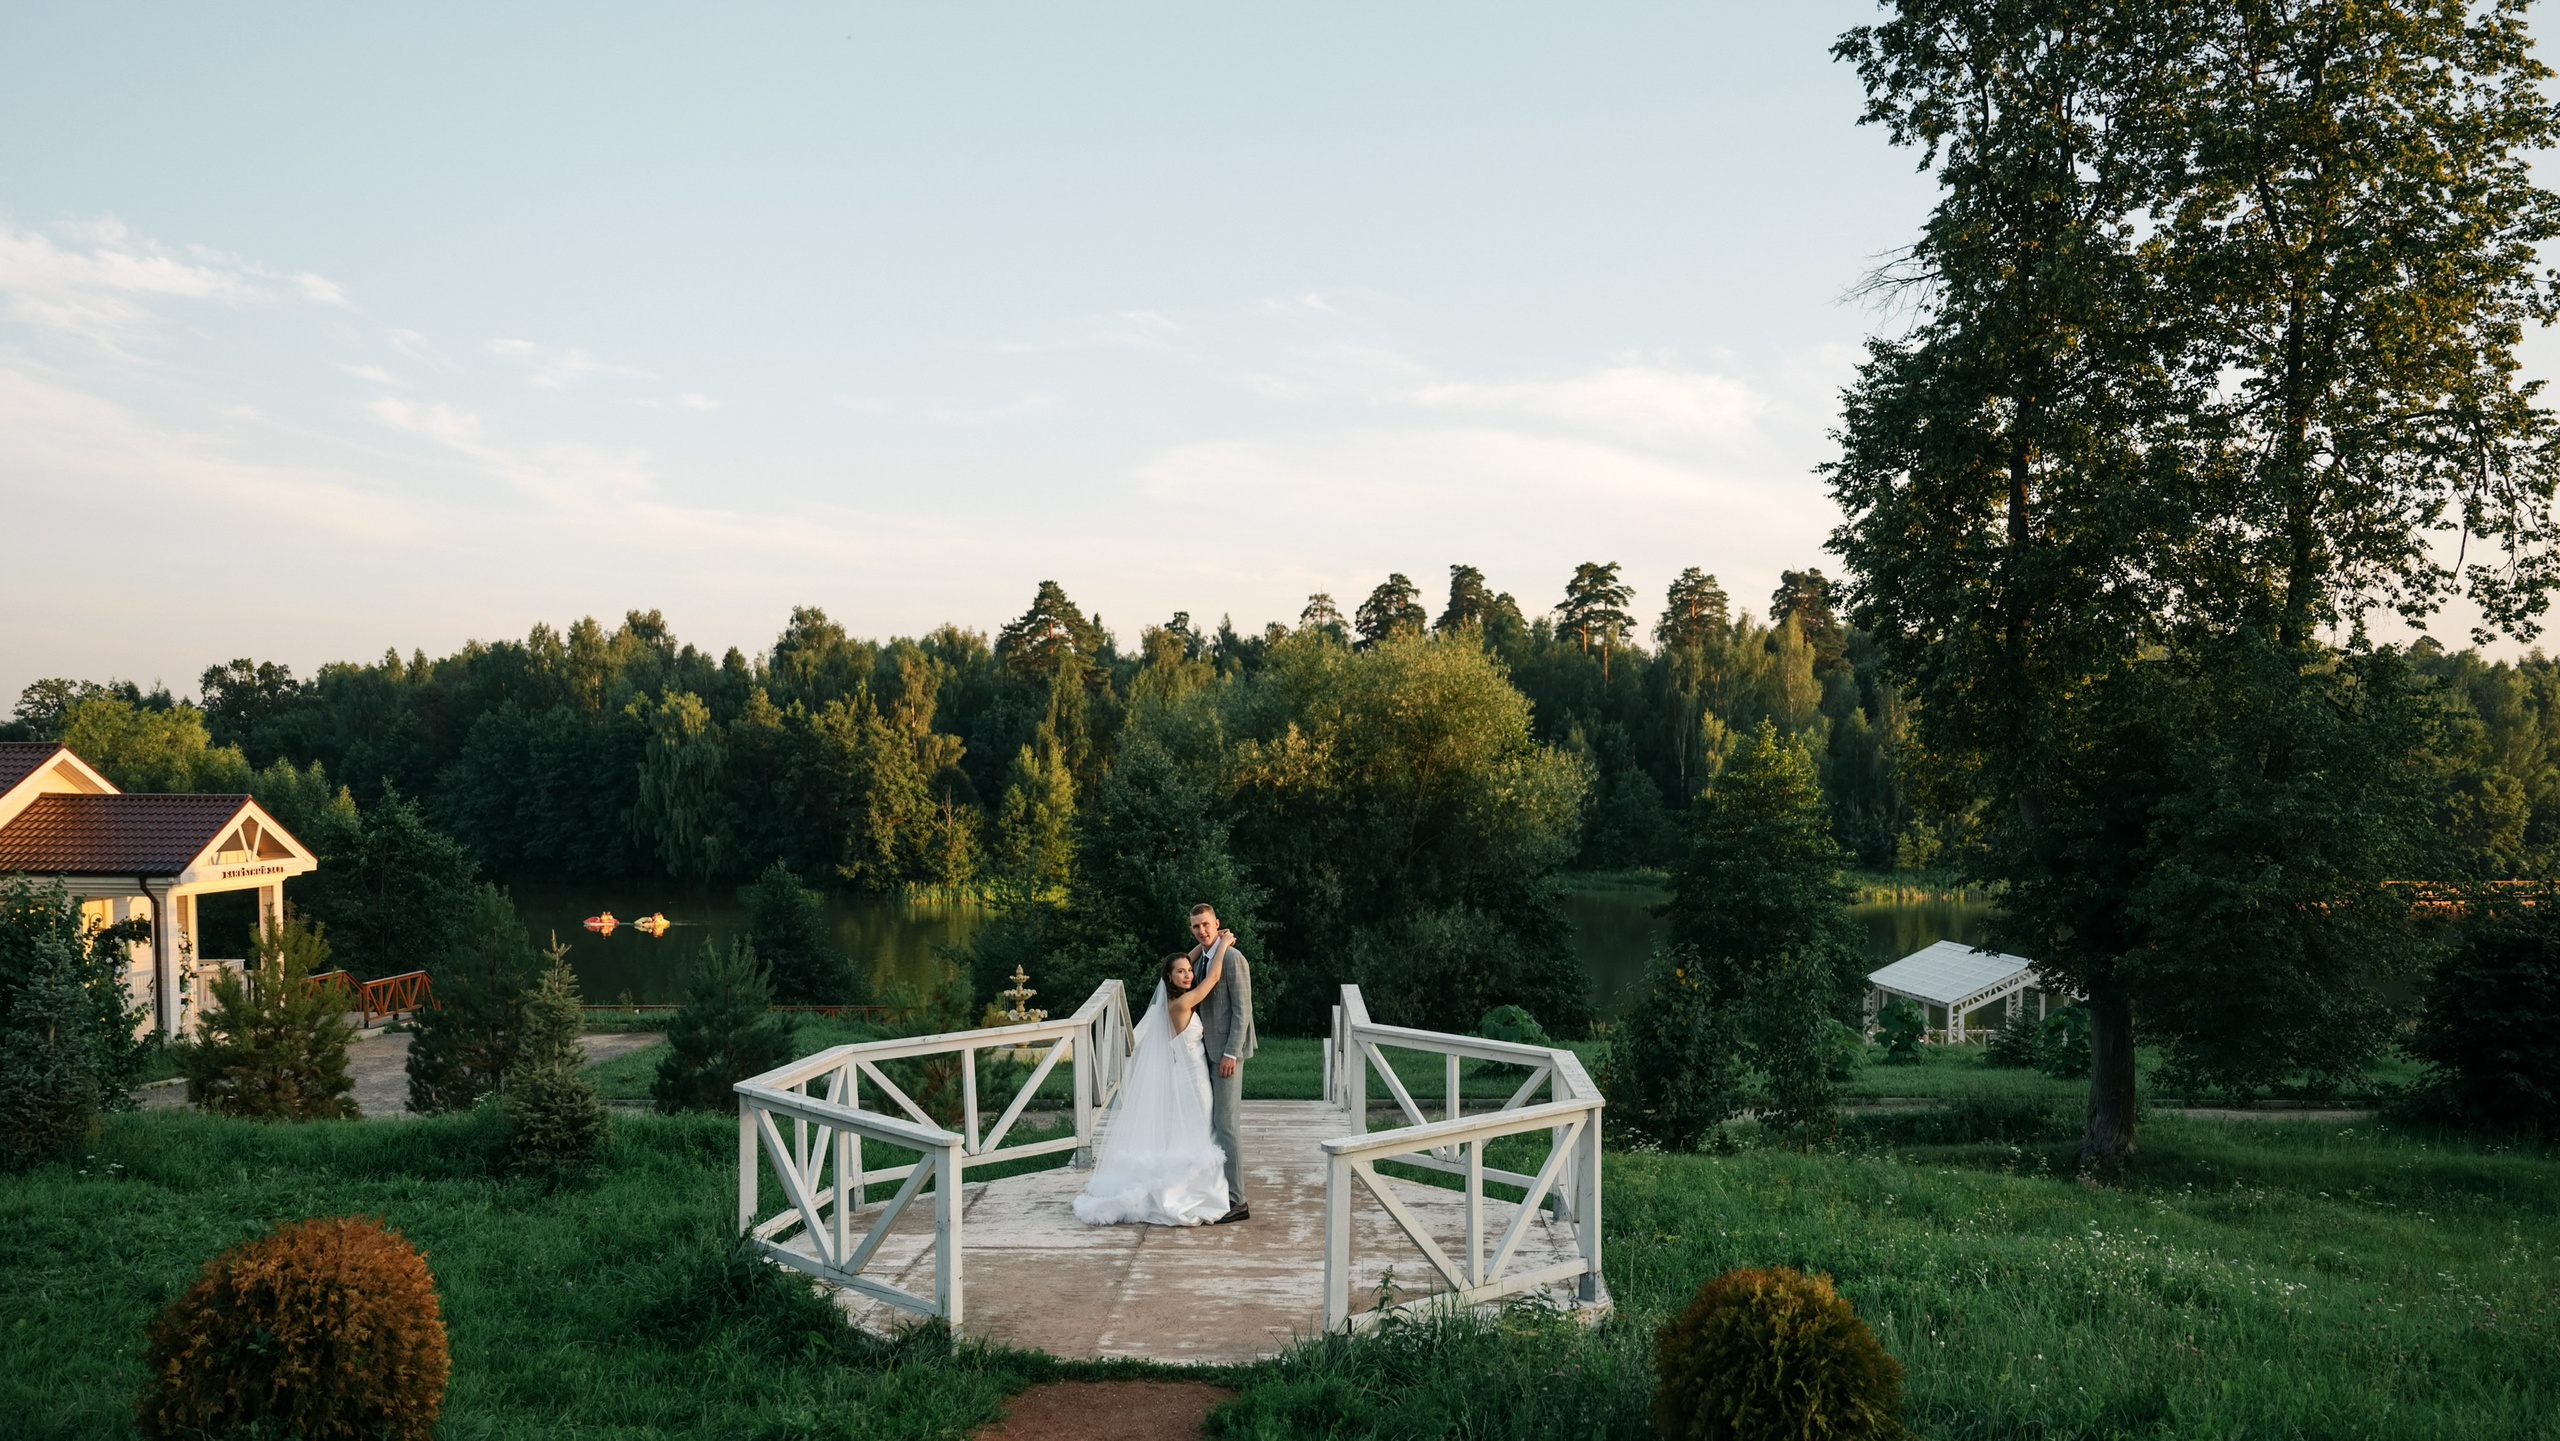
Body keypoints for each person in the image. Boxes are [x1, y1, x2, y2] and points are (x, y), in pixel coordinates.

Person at [1071, 930, 1235, 1227]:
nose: (1187, 975)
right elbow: (1211, 979)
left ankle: (1199, 1186)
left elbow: (1185, 964)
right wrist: (1221, 946)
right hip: (1193, 1079)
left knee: (1196, 1131)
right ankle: (1194, 1192)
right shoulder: (1180, 1005)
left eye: (1188, 971)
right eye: (1180, 973)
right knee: (1203, 1131)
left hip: (1187, 1075)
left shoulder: (1173, 999)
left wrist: (1200, 946)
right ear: (1168, 979)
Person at [1183, 903, 1255, 1223]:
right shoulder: (1201, 961)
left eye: (1206, 925)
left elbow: (1242, 1010)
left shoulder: (1233, 959)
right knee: (1212, 1123)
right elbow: (1186, 961)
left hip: (1226, 1053)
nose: (1202, 930)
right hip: (1206, 1052)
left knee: (1226, 1125)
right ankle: (1219, 1188)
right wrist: (1210, 945)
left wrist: (1231, 1053)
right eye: (1196, 926)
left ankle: (1238, 1201)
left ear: (1217, 924)